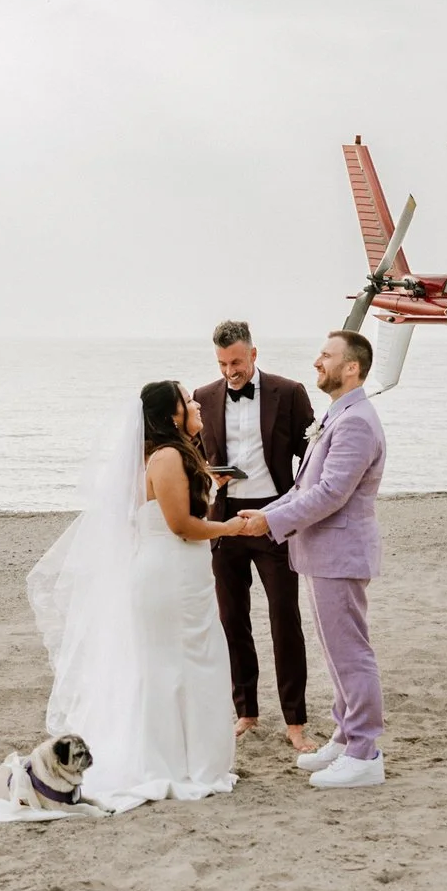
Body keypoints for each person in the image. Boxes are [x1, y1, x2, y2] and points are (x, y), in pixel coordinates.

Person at [0, 380, 244, 819]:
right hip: (171, 578)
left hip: (174, 575)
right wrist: (232, 528)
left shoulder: (159, 457)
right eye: (188, 399)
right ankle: (179, 763)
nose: (196, 402)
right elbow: (181, 526)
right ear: (172, 413)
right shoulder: (169, 456)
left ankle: (178, 757)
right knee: (182, 664)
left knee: (176, 664)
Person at [232, 331, 388, 790]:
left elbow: (330, 494)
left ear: (352, 368)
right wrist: (266, 513)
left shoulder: (356, 421)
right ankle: (344, 738)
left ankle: (365, 752)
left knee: (352, 655)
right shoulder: (338, 414)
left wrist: (268, 525)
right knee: (336, 653)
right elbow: (303, 489)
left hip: (340, 554)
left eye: (326, 355)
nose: (317, 361)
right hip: (323, 555)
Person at [194, 320, 318, 752]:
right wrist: (208, 473)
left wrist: (302, 501)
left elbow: (315, 452)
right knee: (233, 621)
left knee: (286, 619)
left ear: (254, 354)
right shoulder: (204, 397)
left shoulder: (290, 392)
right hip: (225, 522)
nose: (231, 371)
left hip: (274, 519)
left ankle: (296, 720)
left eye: (237, 362)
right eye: (223, 363)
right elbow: (193, 455)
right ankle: (246, 710)